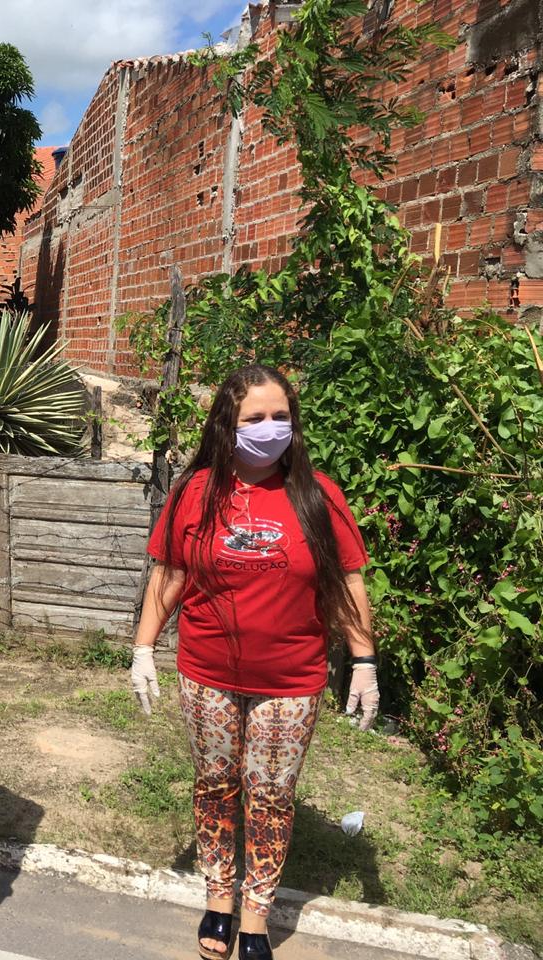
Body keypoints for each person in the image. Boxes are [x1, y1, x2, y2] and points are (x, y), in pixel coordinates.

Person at [128, 364, 379, 960]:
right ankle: (219, 901)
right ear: (226, 425)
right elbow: (170, 575)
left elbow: (346, 583)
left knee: (270, 794)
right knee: (215, 786)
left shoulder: (318, 496)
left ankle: (256, 914)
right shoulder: (196, 494)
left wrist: (364, 659)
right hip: (207, 673)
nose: (271, 429)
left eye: (281, 417)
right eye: (255, 418)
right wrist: (143, 647)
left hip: (291, 681)